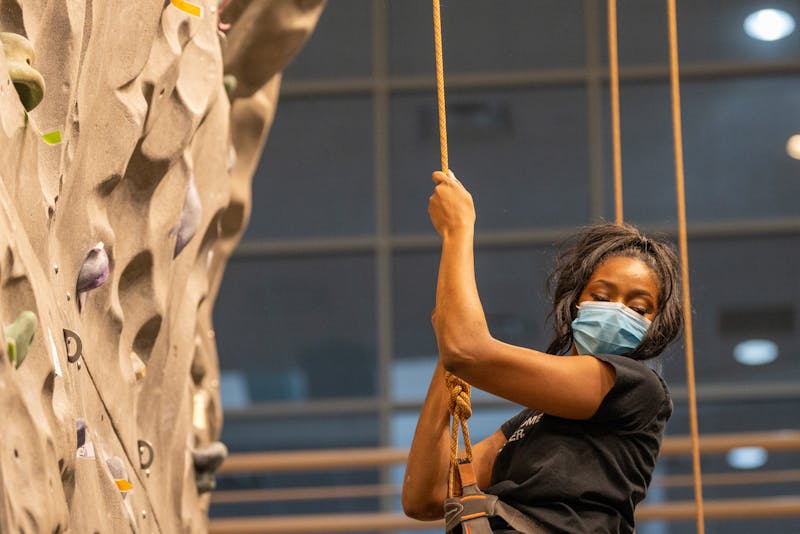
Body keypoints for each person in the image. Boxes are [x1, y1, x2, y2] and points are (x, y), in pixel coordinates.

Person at [402, 170, 683, 534]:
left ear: (655, 324)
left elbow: (468, 351)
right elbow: (425, 496)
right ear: (576, 302)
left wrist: (459, 229)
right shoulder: (531, 422)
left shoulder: (638, 390)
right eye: (601, 296)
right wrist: (448, 363)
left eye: (639, 308)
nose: (616, 311)